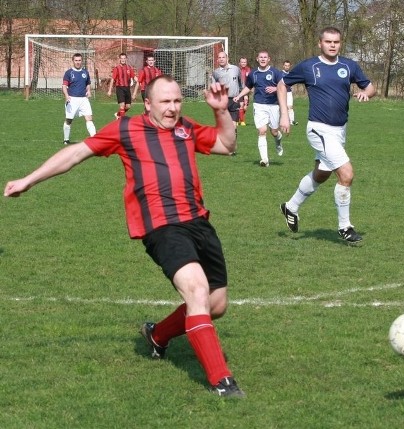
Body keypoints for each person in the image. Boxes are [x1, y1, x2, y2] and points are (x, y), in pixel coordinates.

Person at [4, 75, 245, 398]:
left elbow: (227, 145)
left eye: (176, 101)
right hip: (161, 227)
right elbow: (76, 153)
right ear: (147, 104)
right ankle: (222, 381)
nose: (172, 109)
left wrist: (221, 112)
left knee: (215, 304)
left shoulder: (185, 128)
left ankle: (157, 335)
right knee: (197, 290)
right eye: (165, 102)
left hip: (199, 222)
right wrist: (29, 180)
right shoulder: (125, 129)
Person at [277, 26, 376, 244]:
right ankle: (345, 227)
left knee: (322, 174)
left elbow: (370, 87)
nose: (332, 45)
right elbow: (282, 85)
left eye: (336, 42)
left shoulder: (349, 66)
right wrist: (284, 115)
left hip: (340, 130)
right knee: (347, 174)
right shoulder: (309, 66)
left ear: (340, 43)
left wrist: (364, 93)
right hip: (318, 129)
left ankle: (290, 207)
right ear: (320, 43)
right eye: (328, 41)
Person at [234, 51, 284, 167]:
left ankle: (278, 142)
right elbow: (248, 87)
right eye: (260, 57)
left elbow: (284, 86)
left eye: (265, 57)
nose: (263, 59)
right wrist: (239, 96)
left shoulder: (275, 72)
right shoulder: (253, 73)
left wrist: (276, 88)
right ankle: (264, 160)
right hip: (259, 105)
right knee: (262, 131)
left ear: (269, 59)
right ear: (257, 59)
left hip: (273, 105)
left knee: (274, 131)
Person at [62, 53, 96, 145]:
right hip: (72, 99)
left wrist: (88, 91)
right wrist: (66, 96)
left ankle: (94, 138)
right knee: (69, 120)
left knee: (89, 117)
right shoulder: (69, 73)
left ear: (82, 61)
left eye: (79, 60)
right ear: (73, 61)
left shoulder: (85, 72)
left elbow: (88, 83)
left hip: (84, 99)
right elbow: (64, 86)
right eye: (76, 60)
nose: (78, 62)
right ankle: (66, 139)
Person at [212, 51, 242, 129]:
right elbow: (213, 87)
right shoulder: (216, 72)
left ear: (227, 58)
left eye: (223, 57)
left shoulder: (236, 69)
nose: (221, 59)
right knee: (224, 127)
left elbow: (241, 84)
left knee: (233, 125)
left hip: (234, 100)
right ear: (217, 60)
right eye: (219, 58)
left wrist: (242, 97)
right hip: (222, 101)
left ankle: (233, 141)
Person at [107, 52, 137, 119]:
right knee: (122, 105)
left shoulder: (129, 68)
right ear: (119, 59)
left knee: (128, 106)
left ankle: (118, 114)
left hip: (127, 88)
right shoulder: (116, 68)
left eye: (124, 58)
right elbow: (112, 79)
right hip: (119, 88)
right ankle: (122, 122)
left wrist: (139, 81)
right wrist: (109, 90)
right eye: (121, 58)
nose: (123, 60)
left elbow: (134, 76)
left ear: (126, 59)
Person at [282, 60, 297, 125]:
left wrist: (292, 85)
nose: (287, 67)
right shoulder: (280, 73)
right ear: (283, 66)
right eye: (285, 65)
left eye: (288, 66)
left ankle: (292, 121)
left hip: (289, 93)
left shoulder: (291, 74)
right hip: (282, 93)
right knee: (281, 107)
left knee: (290, 107)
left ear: (290, 66)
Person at [238, 56, 251, 126]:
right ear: (239, 63)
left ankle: (240, 118)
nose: (243, 63)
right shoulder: (237, 70)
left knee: (245, 106)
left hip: (246, 90)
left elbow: (250, 80)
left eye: (245, 62)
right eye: (242, 62)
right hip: (239, 90)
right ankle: (242, 121)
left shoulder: (248, 70)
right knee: (241, 105)